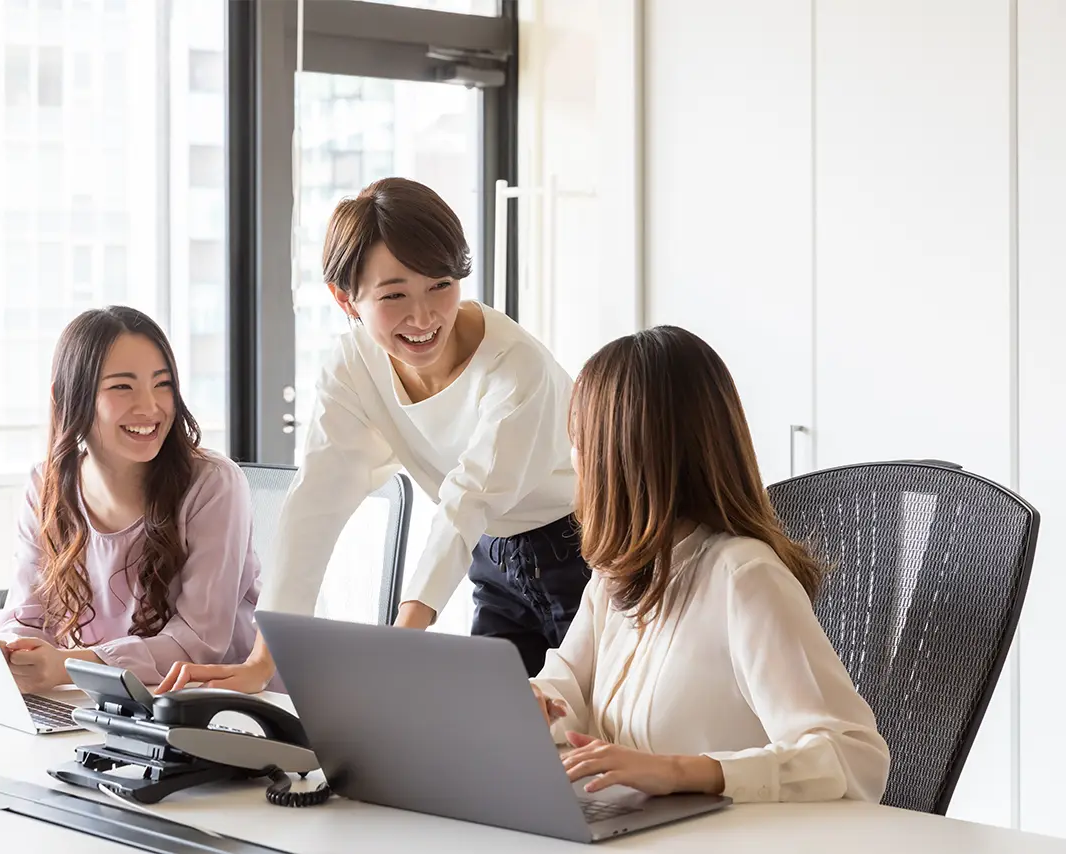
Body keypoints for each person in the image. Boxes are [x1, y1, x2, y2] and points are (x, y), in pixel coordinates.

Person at [156, 177, 588, 694]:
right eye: (394, 295)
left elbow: (467, 499)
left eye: (441, 285)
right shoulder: (353, 370)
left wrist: (400, 639)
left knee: (594, 736)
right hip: (490, 556)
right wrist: (263, 659)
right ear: (345, 299)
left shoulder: (516, 367)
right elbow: (313, 508)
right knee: (501, 731)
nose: (424, 316)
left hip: (581, 550)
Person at [529, 326, 890, 804]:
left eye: (579, 442)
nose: (573, 460)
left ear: (625, 457)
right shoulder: (617, 574)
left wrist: (683, 771)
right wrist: (534, 705)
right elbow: (568, 686)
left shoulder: (745, 579)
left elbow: (853, 759)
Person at [0, 305, 271, 692]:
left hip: (219, 710)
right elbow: (25, 618)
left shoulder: (214, 484)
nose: (150, 407)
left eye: (163, 384)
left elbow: (197, 644)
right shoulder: (46, 484)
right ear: (69, 395)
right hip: (108, 702)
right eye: (122, 387)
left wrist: (68, 666)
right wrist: (15, 653)